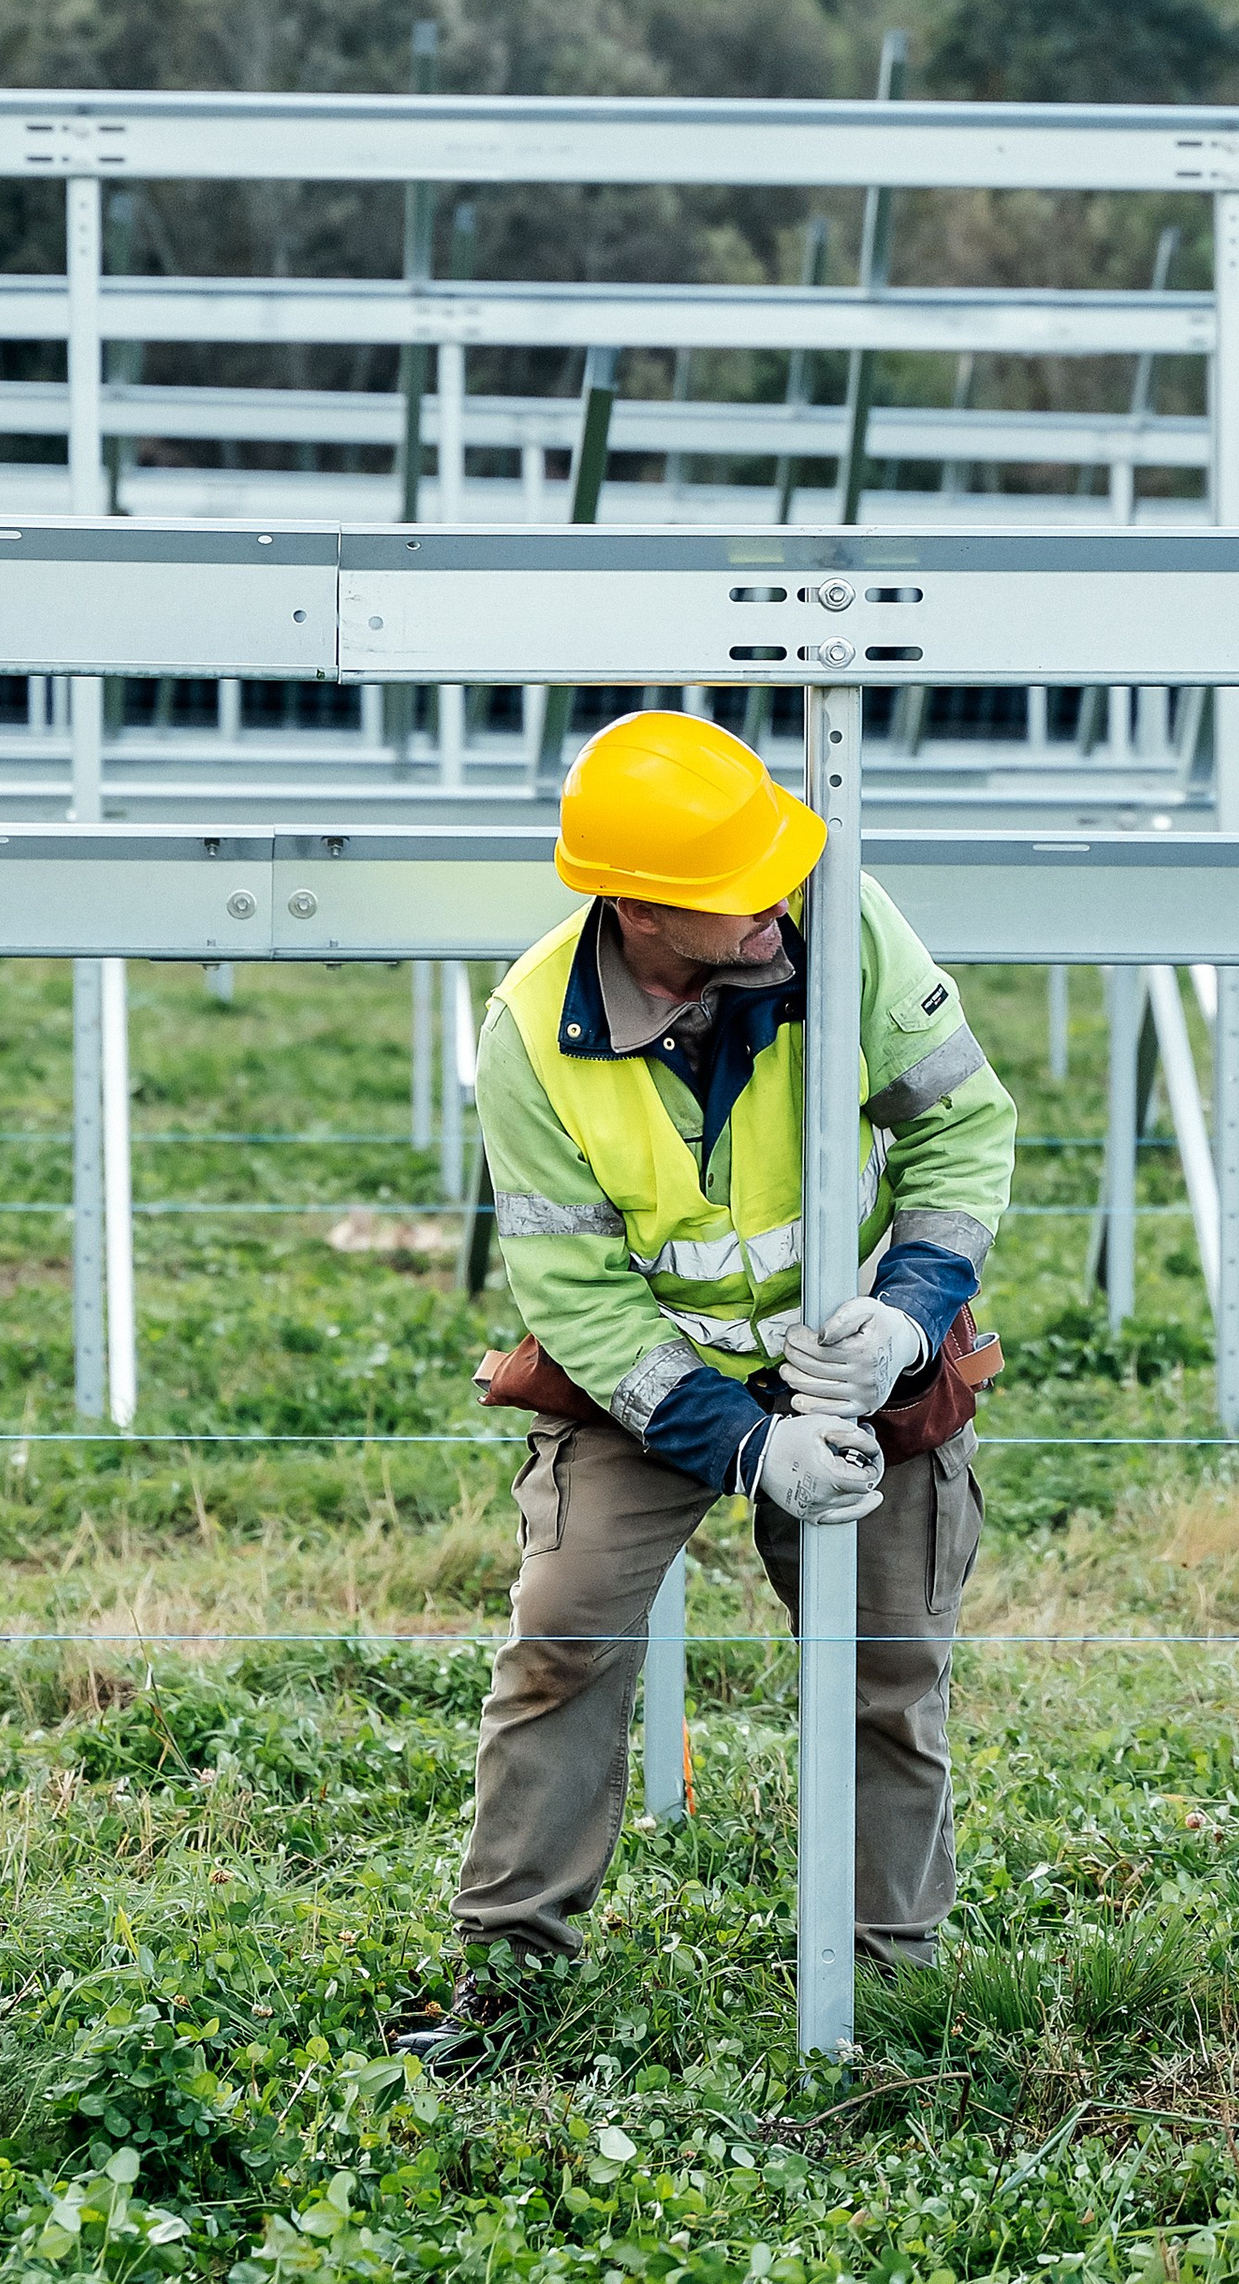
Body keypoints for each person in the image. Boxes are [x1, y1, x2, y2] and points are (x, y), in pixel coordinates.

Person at [392, 708, 1014, 2062]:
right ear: (643, 913)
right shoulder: (530, 1036)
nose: (776, 905)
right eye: (738, 895)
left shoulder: (835, 926)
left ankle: (890, 1980)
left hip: (860, 1364)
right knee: (564, 1639)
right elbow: (579, 1300)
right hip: (653, 1384)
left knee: (887, 1661)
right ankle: (511, 1974)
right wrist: (746, 1447)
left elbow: (962, 1126)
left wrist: (906, 1321)